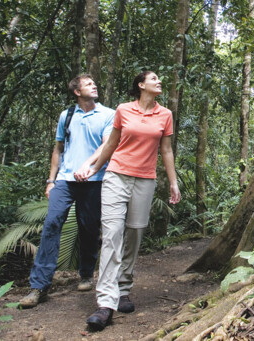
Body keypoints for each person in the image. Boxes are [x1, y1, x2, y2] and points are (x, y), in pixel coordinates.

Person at [74, 70, 181, 331]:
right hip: (116, 176)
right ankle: (105, 303)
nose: (159, 82)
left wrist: (174, 182)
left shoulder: (165, 115)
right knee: (111, 235)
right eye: (154, 78)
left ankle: (123, 288)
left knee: (134, 233)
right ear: (141, 85)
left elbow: (165, 150)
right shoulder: (123, 110)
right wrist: (94, 167)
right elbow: (111, 144)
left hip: (145, 180)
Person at [19, 74, 115, 309]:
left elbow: (106, 145)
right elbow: (58, 149)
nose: (94, 86)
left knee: (89, 228)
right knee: (51, 225)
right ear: (77, 91)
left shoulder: (108, 114)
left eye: (94, 82)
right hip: (65, 179)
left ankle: (85, 273)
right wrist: (51, 180)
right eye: (88, 84)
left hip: (94, 180)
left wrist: (90, 168)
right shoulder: (67, 115)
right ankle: (39, 285)